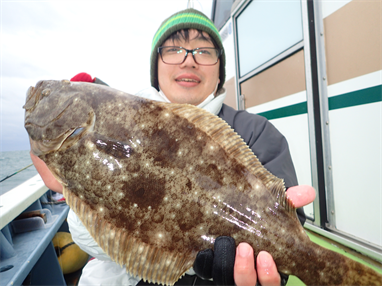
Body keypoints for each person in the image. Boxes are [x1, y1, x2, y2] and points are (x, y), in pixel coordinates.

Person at [30, 8, 315, 286]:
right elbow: (95, 241)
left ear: (220, 70)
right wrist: (70, 187)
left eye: (204, 51)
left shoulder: (257, 133)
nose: (189, 61)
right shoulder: (115, 126)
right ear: (156, 67)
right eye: (173, 50)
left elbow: (288, 241)